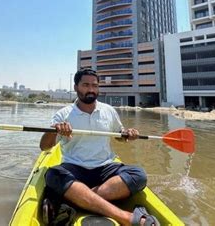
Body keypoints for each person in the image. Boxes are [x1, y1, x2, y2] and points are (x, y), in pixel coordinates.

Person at [40, 68, 159, 226]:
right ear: (76, 87)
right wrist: (55, 130)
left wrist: (127, 134)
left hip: (106, 168)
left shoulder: (108, 111)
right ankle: (127, 217)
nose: (91, 89)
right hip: (74, 169)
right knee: (53, 174)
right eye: (86, 85)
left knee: (138, 175)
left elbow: (119, 135)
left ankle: (73, 200)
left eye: (95, 85)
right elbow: (45, 147)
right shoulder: (63, 114)